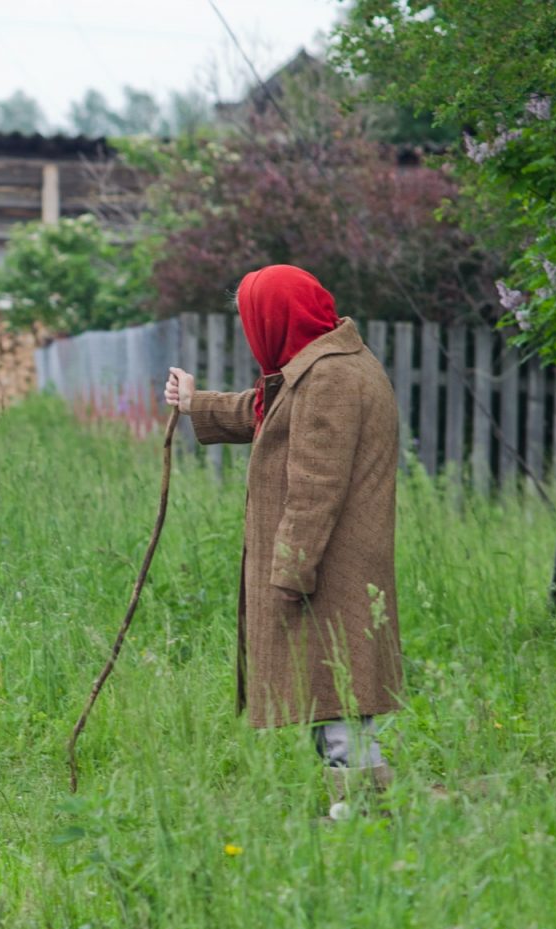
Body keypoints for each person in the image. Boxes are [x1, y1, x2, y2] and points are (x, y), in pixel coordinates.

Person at [163, 264, 403, 801]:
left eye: (253, 320)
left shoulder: (331, 379)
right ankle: (360, 808)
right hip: (334, 560)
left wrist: (292, 570)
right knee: (332, 689)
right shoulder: (327, 365)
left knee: (337, 695)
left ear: (276, 319)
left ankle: (364, 813)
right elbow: (270, 413)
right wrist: (195, 403)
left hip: (330, 566)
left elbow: (316, 484)